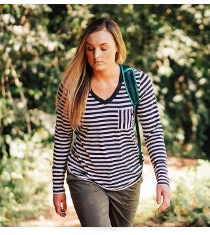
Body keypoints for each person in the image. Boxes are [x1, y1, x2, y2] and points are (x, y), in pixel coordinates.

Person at [52, 18, 171, 227]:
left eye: (103, 48)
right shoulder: (72, 86)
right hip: (84, 176)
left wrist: (162, 178)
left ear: (117, 47)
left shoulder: (137, 82)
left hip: (128, 179)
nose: (96, 55)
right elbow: (62, 136)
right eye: (90, 49)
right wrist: (57, 187)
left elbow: (153, 133)